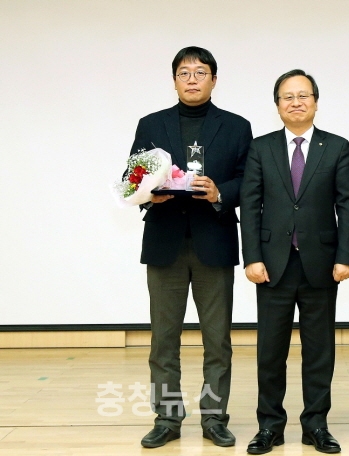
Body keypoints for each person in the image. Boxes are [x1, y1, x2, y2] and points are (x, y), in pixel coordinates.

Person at [127, 46, 252, 449]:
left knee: (217, 340)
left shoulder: (236, 126)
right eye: (184, 73)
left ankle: (214, 418)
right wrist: (149, 194)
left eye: (200, 72)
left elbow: (248, 181)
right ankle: (167, 417)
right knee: (164, 339)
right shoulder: (151, 124)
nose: (192, 79)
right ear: (174, 80)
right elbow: (133, 177)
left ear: (214, 79)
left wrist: (220, 192)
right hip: (165, 242)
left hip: (214, 241)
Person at [240, 69, 349, 454]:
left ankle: (316, 426)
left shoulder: (336, 147)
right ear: (277, 105)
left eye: (303, 95)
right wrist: (252, 257)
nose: (296, 102)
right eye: (287, 97)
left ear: (316, 102)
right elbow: (250, 206)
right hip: (272, 265)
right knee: (270, 351)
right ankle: (269, 426)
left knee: (319, 351)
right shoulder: (261, 148)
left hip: (321, 264)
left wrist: (346, 256)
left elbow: (347, 204)